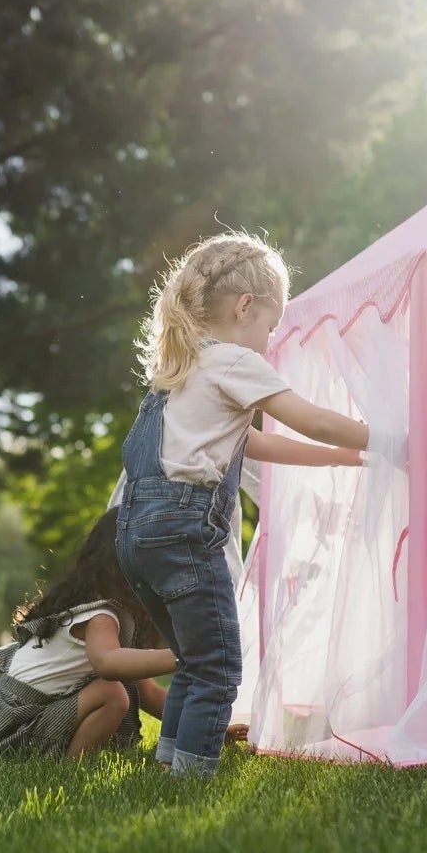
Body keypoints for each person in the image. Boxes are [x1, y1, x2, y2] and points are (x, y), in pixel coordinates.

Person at [116, 232, 404, 777]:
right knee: (220, 671)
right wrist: (385, 437)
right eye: (271, 327)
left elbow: (255, 442)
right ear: (244, 306)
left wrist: (344, 457)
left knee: (194, 665)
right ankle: (193, 776)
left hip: (136, 534)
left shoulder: (178, 369)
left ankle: (167, 767)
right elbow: (308, 418)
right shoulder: (233, 362)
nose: (270, 341)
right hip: (183, 530)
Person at [0, 507, 176, 759]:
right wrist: (182, 657)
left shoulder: (89, 606)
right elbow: (108, 664)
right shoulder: (100, 616)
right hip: (9, 727)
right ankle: (69, 768)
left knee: (120, 685)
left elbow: (148, 693)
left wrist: (213, 730)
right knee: (111, 692)